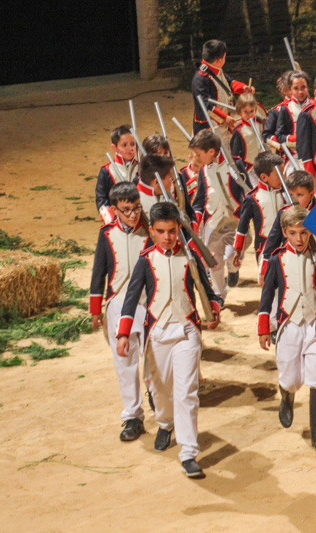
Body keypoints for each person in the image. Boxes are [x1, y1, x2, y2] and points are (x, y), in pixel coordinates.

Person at [117, 202, 222, 478]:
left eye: (173, 231)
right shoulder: (145, 260)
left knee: (187, 391)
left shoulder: (190, 255)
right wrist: (124, 333)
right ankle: (165, 423)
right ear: (151, 231)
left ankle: (188, 452)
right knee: (161, 390)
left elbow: (206, 287)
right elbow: (131, 298)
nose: (168, 237)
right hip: (159, 332)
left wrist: (213, 308)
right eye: (161, 231)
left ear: (179, 230)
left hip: (187, 329)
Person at [259, 206, 316, 454]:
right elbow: (266, 295)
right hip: (288, 325)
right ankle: (287, 396)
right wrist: (264, 327)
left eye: (304, 233)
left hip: (315, 324)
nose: (299, 239)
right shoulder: (276, 259)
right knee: (291, 378)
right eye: (293, 233)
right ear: (285, 232)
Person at [90, 182, 152, 441]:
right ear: (114, 210)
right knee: (124, 362)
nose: (133, 215)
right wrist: (96, 310)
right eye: (126, 210)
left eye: (136, 208)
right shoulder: (106, 235)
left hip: (148, 304)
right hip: (117, 303)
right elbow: (99, 272)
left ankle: (158, 400)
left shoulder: (151, 232)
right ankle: (132, 417)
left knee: (154, 359)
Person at [189, 130, 245, 300]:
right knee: (214, 261)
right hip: (213, 221)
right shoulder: (204, 171)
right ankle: (219, 295)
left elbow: (247, 191)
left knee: (231, 255)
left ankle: (233, 268)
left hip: (235, 220)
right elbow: (199, 201)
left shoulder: (235, 164)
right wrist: (196, 221)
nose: (197, 159)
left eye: (199, 154)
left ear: (211, 152)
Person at [233, 152, 286, 273]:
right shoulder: (252, 198)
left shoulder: (287, 193)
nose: (283, 178)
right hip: (264, 246)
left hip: (285, 243)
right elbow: (243, 226)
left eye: (283, 174)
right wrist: (238, 249)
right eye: (279, 175)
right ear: (263, 177)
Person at [260, 170, 316, 280]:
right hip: (289, 263)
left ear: (311, 195)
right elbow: (272, 243)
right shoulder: (283, 213)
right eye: (291, 195)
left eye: (300, 195)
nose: (294, 199)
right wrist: (265, 270)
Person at [192, 39, 254, 137]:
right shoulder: (200, 79)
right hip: (209, 126)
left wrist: (243, 88)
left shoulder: (213, 68)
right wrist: (224, 117)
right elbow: (205, 104)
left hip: (223, 122)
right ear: (219, 60)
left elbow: (226, 82)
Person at [95, 125, 138, 224]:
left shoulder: (141, 169)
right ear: (114, 147)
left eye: (132, 144)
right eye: (124, 145)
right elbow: (101, 198)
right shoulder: (106, 171)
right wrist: (111, 219)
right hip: (116, 221)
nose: (130, 148)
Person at [273, 70, 311, 160]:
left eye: (303, 88)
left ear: (308, 87)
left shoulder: (314, 106)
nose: (300, 92)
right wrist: (297, 138)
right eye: (296, 88)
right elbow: (280, 136)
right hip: (293, 155)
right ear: (290, 89)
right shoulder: (285, 108)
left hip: (315, 153)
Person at [231, 93, 263, 187]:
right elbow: (235, 154)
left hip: (261, 165)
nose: (249, 115)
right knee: (253, 190)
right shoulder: (238, 130)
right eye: (246, 112)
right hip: (247, 168)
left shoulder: (260, 124)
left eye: (252, 111)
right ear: (239, 112)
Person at [263, 71, 293, 147]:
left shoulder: (309, 106)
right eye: (294, 88)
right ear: (285, 90)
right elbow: (267, 135)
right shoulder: (276, 111)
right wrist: (281, 144)